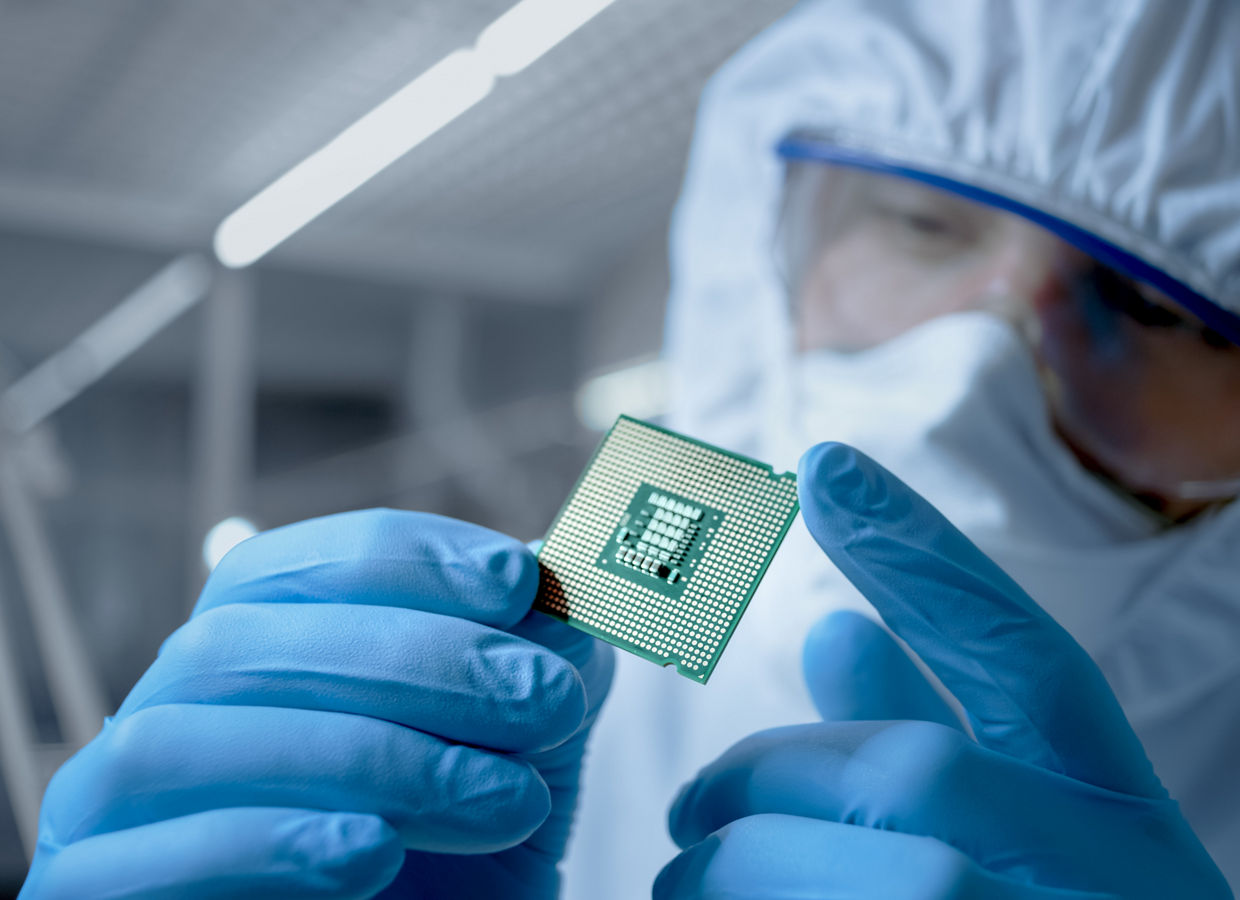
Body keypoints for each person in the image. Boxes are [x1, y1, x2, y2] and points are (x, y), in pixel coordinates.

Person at [19, 0, 1240, 897]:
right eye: (921, 225)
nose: (971, 368)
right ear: (755, 250)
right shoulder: (551, 650)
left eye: (1157, 310)